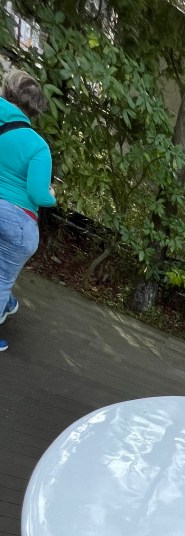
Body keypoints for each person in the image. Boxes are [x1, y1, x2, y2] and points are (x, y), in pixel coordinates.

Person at [0, 68, 56, 353]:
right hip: (17, 223)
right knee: (2, 278)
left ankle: (7, 303)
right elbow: (37, 193)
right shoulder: (37, 146)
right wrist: (52, 196)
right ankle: (4, 302)